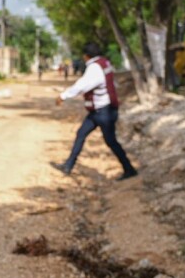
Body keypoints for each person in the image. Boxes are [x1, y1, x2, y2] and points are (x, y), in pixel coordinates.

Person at [51, 42, 138, 180]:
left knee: (111, 141)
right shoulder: (105, 63)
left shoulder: (94, 67)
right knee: (81, 134)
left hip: (104, 112)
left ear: (86, 56)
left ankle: (129, 169)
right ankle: (68, 165)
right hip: (100, 111)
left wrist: (63, 96)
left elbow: (82, 85)